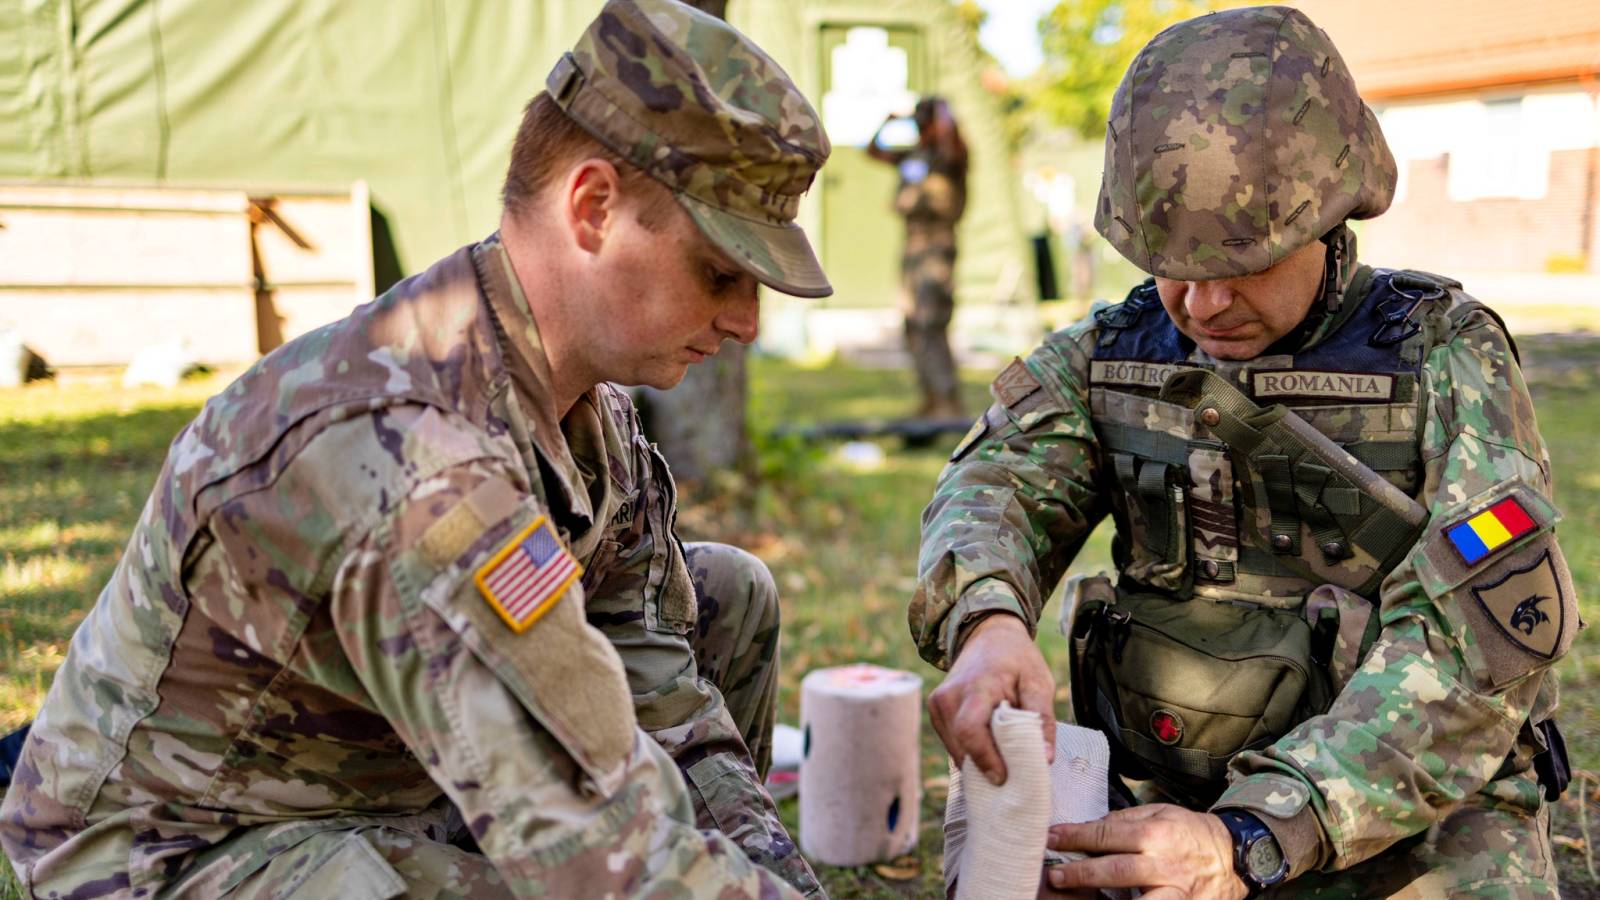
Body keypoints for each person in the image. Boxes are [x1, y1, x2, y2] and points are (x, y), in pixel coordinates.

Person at [0, 1, 832, 896]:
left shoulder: (587, 406)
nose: (747, 322)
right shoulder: (410, 460)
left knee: (723, 590)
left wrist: (772, 873)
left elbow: (656, 682)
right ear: (592, 208)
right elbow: (596, 853)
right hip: (183, 846)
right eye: (720, 273)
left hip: (383, 783)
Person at [911, 6, 1574, 898]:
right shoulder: (1115, 353)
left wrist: (1252, 838)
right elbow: (994, 485)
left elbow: (1471, 657)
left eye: (1241, 263)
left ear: (1330, 217)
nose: (1201, 303)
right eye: (1170, 264)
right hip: (1170, 798)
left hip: (1395, 812)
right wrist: (986, 622)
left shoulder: (1446, 358)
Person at [869, 96, 970, 419]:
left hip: (937, 245)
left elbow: (951, 144)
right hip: (913, 245)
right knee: (911, 322)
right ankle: (929, 397)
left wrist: (942, 112)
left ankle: (947, 401)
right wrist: (889, 122)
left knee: (932, 321)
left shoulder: (949, 154)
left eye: (924, 121)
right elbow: (873, 152)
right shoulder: (915, 156)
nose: (920, 127)